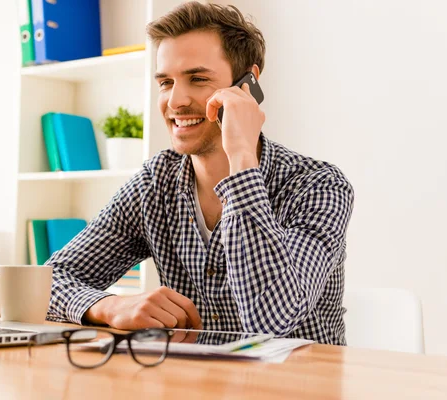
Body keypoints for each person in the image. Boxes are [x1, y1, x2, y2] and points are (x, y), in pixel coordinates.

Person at [46, 2, 354, 345]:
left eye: (198, 79)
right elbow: (46, 282)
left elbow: (272, 317)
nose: (175, 101)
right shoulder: (155, 184)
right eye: (165, 82)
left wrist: (240, 157)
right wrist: (108, 305)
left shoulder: (317, 186)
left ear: (248, 86)